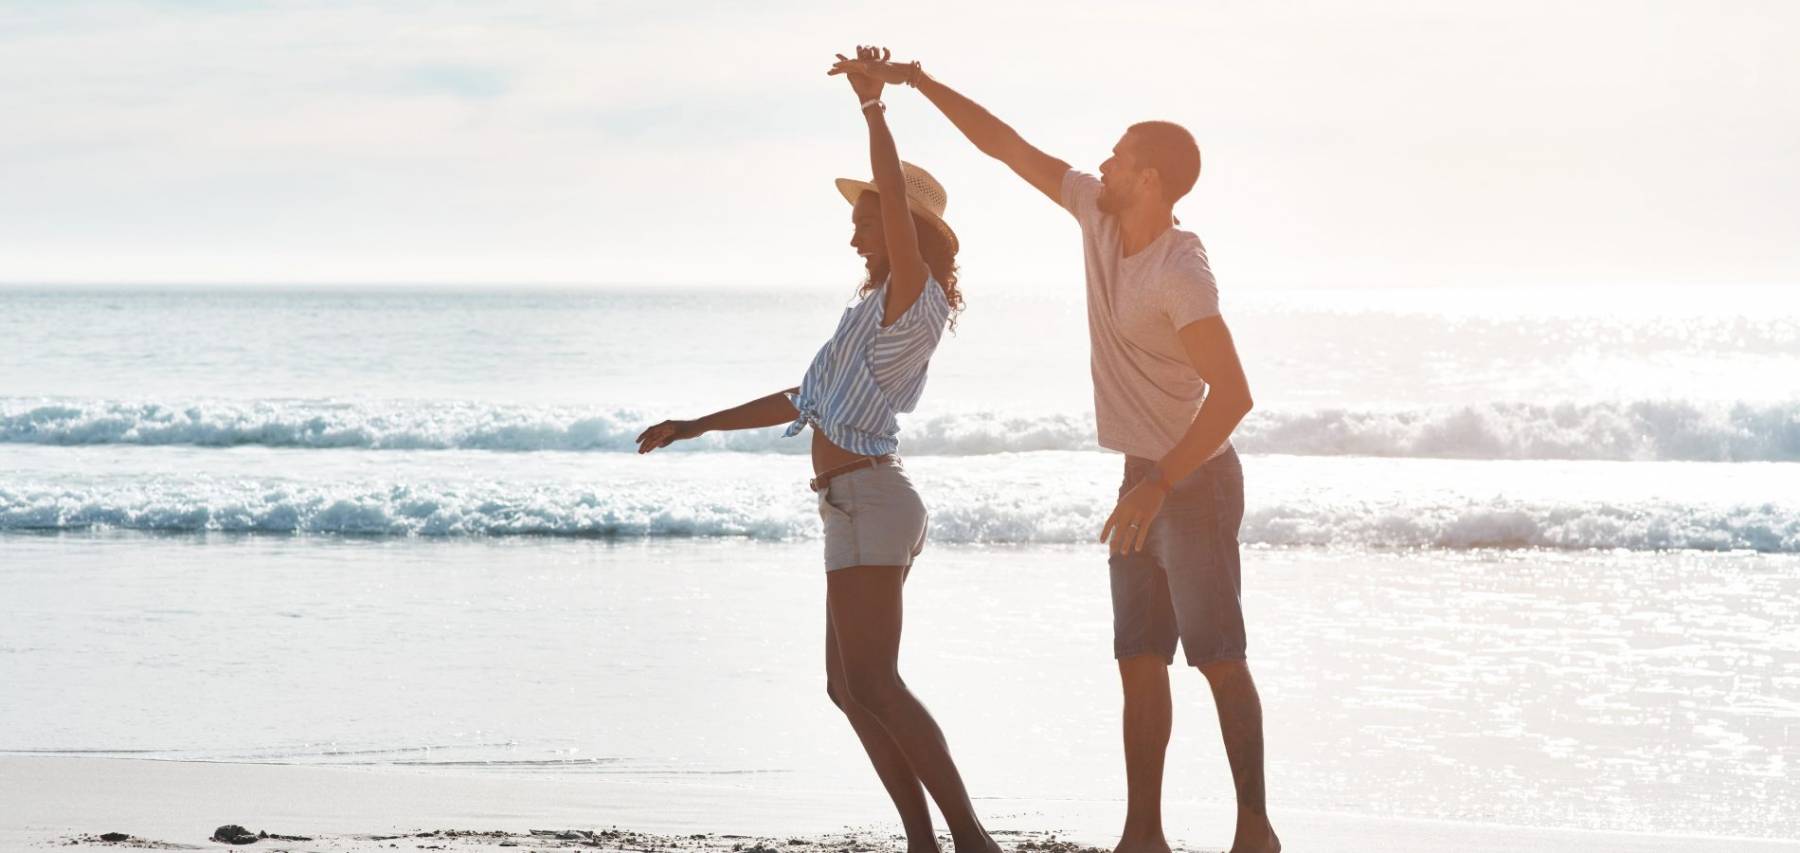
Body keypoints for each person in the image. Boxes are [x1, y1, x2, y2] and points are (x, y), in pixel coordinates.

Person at [829, 51, 1278, 853]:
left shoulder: (1182, 271)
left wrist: (1161, 483)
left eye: (1118, 155)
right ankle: (1143, 834)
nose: (1101, 162)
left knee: (1216, 656)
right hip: (1144, 472)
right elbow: (1004, 144)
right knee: (1138, 657)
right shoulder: (1097, 216)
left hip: (1196, 478)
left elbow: (1235, 396)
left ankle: (1254, 829)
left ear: (1151, 180)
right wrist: (918, 84)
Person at [636, 46, 999, 853]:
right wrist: (694, 424)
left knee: (875, 679)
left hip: (872, 496)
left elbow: (898, 201)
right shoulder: (865, 312)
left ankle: (969, 837)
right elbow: (799, 399)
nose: (854, 227)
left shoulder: (916, 296)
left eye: (865, 214)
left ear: (906, 226)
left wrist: (873, 108)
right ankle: (923, 839)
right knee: (847, 685)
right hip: (851, 504)